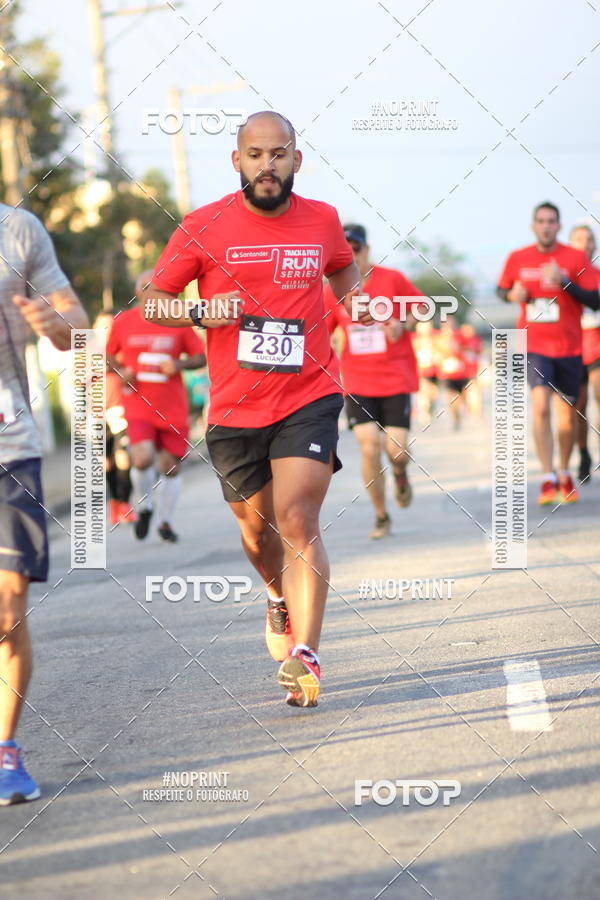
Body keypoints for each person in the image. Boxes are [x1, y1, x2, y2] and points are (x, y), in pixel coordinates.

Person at [146, 110, 362, 707]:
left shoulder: (321, 219)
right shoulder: (203, 225)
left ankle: (307, 655)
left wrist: (355, 303)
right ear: (236, 161)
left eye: (279, 154)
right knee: (257, 531)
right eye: (256, 154)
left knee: (298, 518)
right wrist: (196, 313)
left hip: (309, 394)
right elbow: (151, 302)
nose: (268, 165)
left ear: (297, 159)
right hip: (235, 409)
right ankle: (276, 594)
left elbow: (343, 270)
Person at [0, 204, 88, 804]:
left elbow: (74, 322)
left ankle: (5, 751)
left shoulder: (17, 229)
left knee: (6, 612)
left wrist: (53, 325)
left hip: (8, 443)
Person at [323, 223, 423, 539]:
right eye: (346, 251)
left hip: (396, 378)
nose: (352, 256)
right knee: (369, 449)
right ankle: (381, 515)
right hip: (357, 383)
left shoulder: (392, 279)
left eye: (357, 250)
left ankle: (400, 472)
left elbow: (421, 307)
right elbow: (319, 334)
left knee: (397, 451)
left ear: (366, 250)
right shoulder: (331, 291)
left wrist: (403, 326)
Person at [497, 202, 599, 505]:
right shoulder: (518, 257)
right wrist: (510, 295)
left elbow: (595, 300)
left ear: (559, 226)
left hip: (568, 347)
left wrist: (564, 281)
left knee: (566, 418)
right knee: (540, 405)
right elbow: (502, 289)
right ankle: (547, 477)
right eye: (540, 221)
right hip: (533, 345)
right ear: (533, 226)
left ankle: (565, 471)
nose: (545, 226)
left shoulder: (575, 257)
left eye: (551, 221)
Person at [106, 271, 206, 543]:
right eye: (145, 287)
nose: (150, 291)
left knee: (170, 467)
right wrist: (121, 370)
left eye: (156, 287)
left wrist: (179, 365)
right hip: (138, 404)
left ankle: (165, 522)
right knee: (142, 457)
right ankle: (144, 504)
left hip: (172, 406)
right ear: (137, 292)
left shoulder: (178, 321)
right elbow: (106, 359)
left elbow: (200, 357)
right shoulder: (124, 322)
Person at [93, 311, 135, 526]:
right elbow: (78, 378)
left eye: (110, 326)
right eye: (103, 327)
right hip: (97, 414)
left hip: (119, 411)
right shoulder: (88, 352)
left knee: (123, 457)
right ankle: (115, 502)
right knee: (106, 462)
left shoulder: (121, 348)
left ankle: (126, 502)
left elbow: (128, 371)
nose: (107, 331)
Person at [569, 224, 600, 483]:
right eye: (579, 239)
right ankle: (583, 452)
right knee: (578, 405)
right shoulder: (562, 277)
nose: (585, 244)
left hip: (597, 343)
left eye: (589, 239)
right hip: (573, 347)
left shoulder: (598, 275)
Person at [437, 315, 470, 430]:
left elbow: (469, 350)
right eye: (446, 324)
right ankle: (455, 418)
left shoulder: (460, 336)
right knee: (451, 398)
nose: (448, 326)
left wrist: (459, 349)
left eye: (450, 323)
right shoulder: (439, 338)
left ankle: (460, 413)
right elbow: (435, 353)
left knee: (461, 398)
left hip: (461, 373)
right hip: (447, 374)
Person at [413, 319, 440, 424]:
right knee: (423, 391)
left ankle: (431, 407)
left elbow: (443, 350)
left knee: (433, 393)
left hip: (434, 370)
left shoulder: (436, 338)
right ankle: (423, 412)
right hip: (421, 370)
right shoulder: (414, 339)